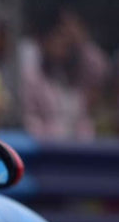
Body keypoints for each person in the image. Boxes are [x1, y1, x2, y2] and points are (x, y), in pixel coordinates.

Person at [21, 7, 109, 140]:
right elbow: (29, 121)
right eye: (58, 37)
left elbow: (100, 68)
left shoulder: (74, 74)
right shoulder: (32, 76)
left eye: (67, 39)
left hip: (78, 146)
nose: (64, 43)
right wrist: (58, 135)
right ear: (45, 40)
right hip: (47, 146)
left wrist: (81, 40)